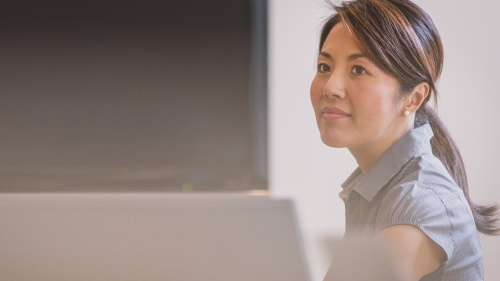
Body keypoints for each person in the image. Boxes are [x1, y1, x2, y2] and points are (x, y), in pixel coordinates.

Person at [309, 0, 500, 280]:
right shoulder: (375, 187)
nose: (330, 86)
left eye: (358, 70)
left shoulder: (420, 202)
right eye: (324, 66)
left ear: (414, 98)